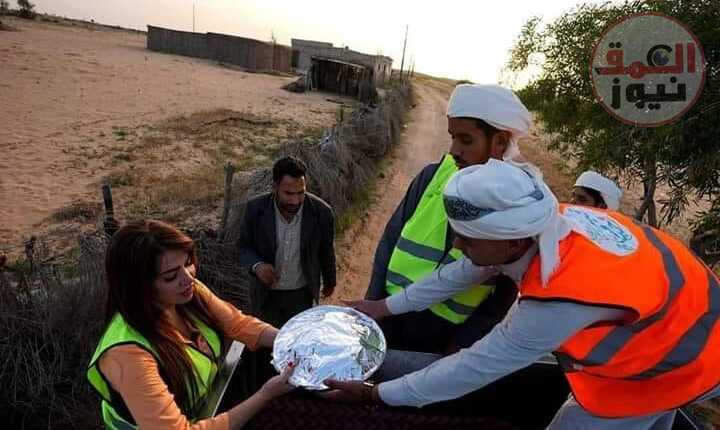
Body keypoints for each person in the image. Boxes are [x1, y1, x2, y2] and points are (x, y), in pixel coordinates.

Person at [327, 160, 720, 429]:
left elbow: (472, 367)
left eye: (467, 238)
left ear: (512, 243)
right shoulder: (545, 222)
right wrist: (382, 307)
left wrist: (375, 395)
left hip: (684, 354)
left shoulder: (556, 300)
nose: (458, 245)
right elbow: (463, 271)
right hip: (680, 324)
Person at [365, 83, 531, 353]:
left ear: (500, 141)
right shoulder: (432, 176)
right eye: (453, 137)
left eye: (466, 141)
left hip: (446, 332)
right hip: (390, 315)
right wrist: (373, 302)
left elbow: (506, 288)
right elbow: (390, 238)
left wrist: (466, 340)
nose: (454, 150)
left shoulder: (516, 201)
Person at [87, 220, 295, 430]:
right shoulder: (128, 356)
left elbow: (239, 325)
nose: (188, 278)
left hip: (206, 412)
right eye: (170, 276)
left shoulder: (186, 293)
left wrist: (296, 343)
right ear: (139, 287)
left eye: (187, 263)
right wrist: (264, 395)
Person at [238, 155, 336, 328]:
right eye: (289, 193)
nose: (295, 201)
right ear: (275, 187)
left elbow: (326, 251)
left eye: (301, 193)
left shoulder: (322, 213)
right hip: (265, 296)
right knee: (264, 348)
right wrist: (257, 266)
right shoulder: (255, 209)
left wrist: (330, 281)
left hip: (302, 296)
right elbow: (243, 247)